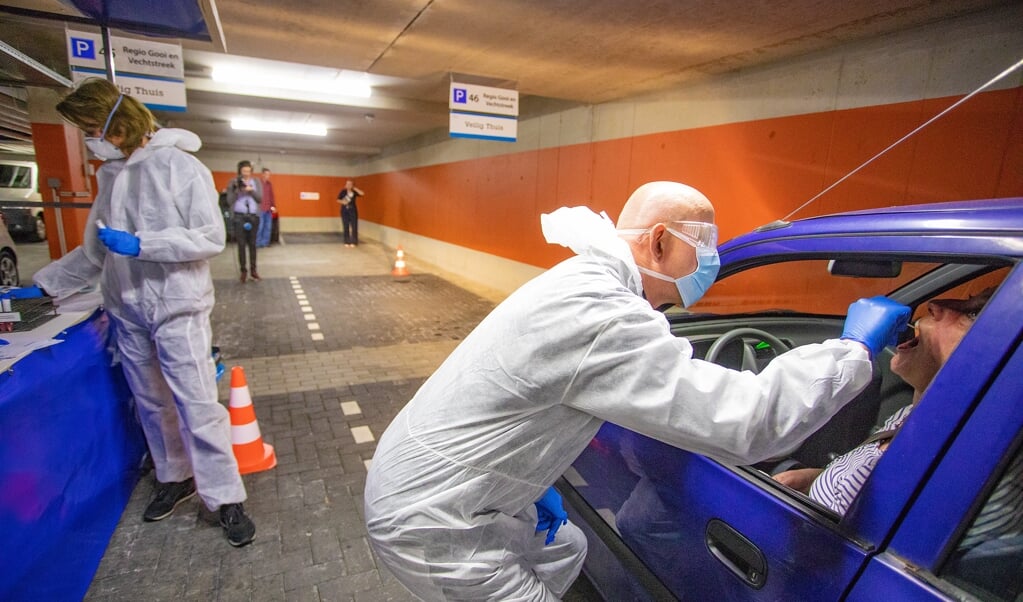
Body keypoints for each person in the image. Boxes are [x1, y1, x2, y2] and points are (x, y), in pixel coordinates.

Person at [363, 181, 910, 600]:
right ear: (660, 241)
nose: (713, 262)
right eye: (707, 246)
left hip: (446, 489)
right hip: (437, 522)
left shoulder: (584, 283)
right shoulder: (604, 314)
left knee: (566, 548)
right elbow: (745, 422)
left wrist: (528, 485)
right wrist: (852, 350)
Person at [27, 77, 255, 547]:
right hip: (126, 307)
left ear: (119, 123)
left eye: (91, 127)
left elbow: (210, 237)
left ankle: (225, 495)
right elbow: (94, 252)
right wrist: (42, 287)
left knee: (195, 402)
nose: (89, 138)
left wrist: (144, 244)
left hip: (176, 304)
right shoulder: (109, 175)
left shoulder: (180, 167)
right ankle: (175, 477)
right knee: (151, 402)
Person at [774, 287, 1021, 545]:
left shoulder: (963, 457)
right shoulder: (917, 417)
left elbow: (847, 556)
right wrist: (818, 478)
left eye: (972, 314)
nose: (936, 304)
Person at [226, 160, 262, 282]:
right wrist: (238, 190)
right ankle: (243, 271)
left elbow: (260, 199)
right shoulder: (233, 182)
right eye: (244, 171)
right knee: (241, 245)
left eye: (248, 171)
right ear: (240, 171)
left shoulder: (256, 182)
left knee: (253, 244)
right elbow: (229, 201)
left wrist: (251, 190)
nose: (246, 173)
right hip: (239, 217)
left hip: (253, 216)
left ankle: (253, 270)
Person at [336, 179, 363, 247]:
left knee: (354, 226)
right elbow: (338, 199)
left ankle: (354, 242)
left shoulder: (354, 192)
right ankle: (346, 241)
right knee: (346, 226)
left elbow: (362, 193)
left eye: (350, 184)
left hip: (352, 210)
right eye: (347, 184)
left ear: (352, 185)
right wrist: (343, 202)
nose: (348, 185)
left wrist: (355, 188)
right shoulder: (343, 191)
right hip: (344, 210)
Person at [256, 167, 276, 248]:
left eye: (269, 174)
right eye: (266, 174)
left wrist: (273, 206)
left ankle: (265, 242)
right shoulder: (258, 184)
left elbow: (271, 196)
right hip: (260, 209)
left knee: (268, 227)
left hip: (268, 209)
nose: (268, 176)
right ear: (263, 174)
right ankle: (257, 243)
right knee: (260, 226)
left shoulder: (269, 184)